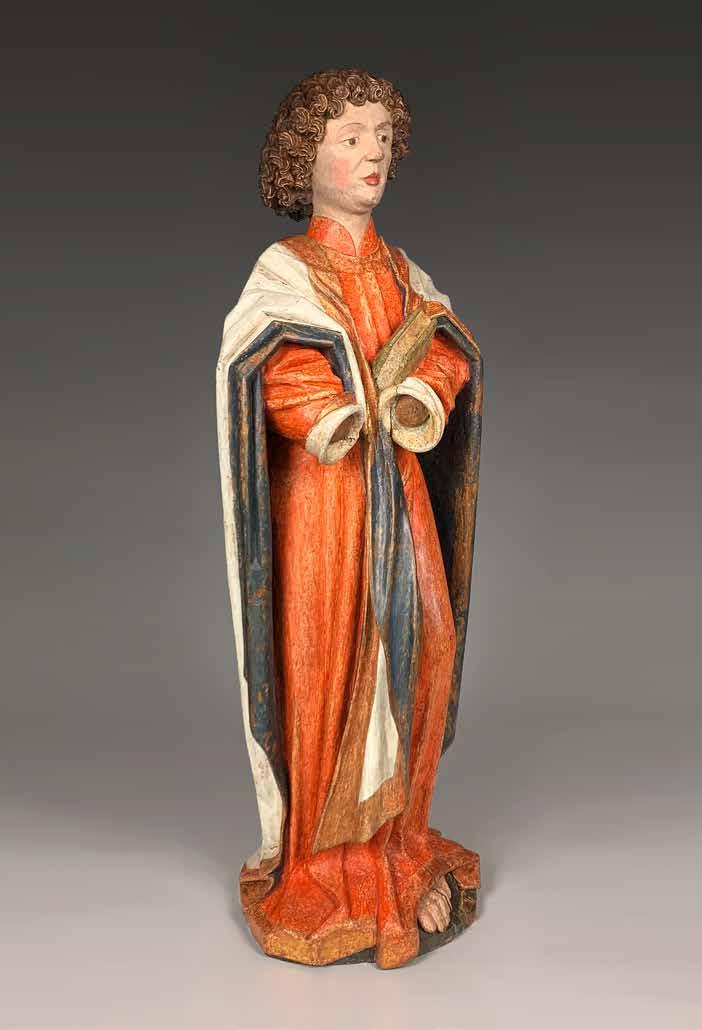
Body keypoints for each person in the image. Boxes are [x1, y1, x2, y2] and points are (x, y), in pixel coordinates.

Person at [216, 68, 483, 969]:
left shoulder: (404, 273)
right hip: (326, 506)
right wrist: (326, 410)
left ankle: (401, 843)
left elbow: (446, 347)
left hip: (396, 494)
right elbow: (265, 363)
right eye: (350, 137)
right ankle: (329, 865)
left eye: (382, 137)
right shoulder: (285, 273)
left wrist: (421, 391)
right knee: (331, 662)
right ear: (305, 158)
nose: (373, 153)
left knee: (426, 644)